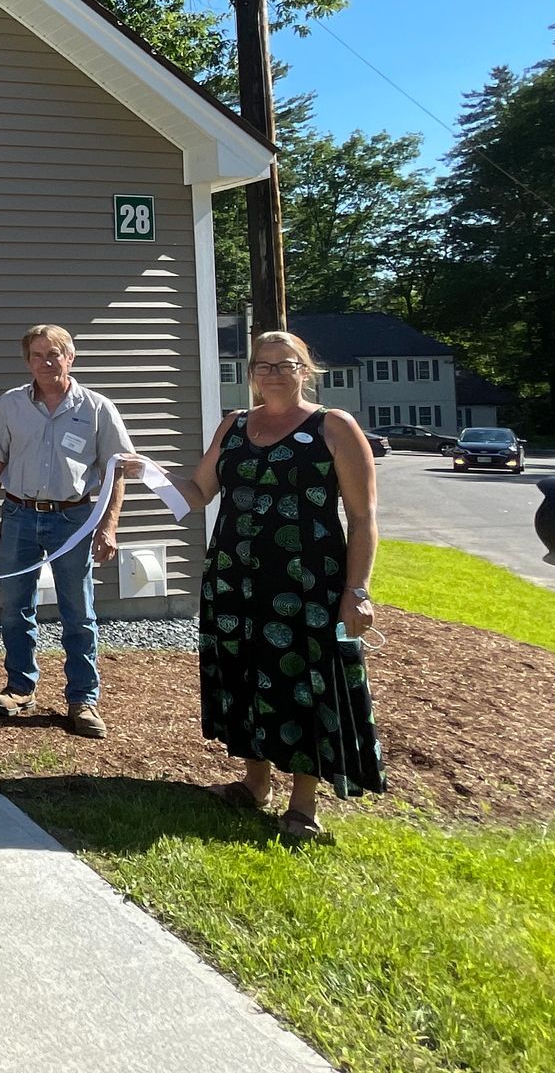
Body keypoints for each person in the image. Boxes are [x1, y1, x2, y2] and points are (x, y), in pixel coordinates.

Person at [144, 330, 383, 841]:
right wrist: (143, 471)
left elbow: (362, 518)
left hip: (307, 584)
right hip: (234, 578)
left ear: (306, 369)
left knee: (302, 682)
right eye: (263, 365)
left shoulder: (333, 426)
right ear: (251, 373)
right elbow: (195, 494)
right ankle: (254, 785)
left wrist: (356, 590)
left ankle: (303, 806)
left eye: (285, 363)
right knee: (243, 676)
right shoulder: (233, 426)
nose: (273, 372)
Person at [0, 324, 134, 739]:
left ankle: (83, 699)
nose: (46, 362)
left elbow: (117, 471)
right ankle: (20, 687)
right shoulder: (11, 405)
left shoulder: (97, 408)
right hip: (20, 515)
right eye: (37, 356)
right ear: (27, 361)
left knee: (78, 612)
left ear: (71, 357)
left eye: (54, 354)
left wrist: (109, 525)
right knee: (15, 607)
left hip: (74, 520)